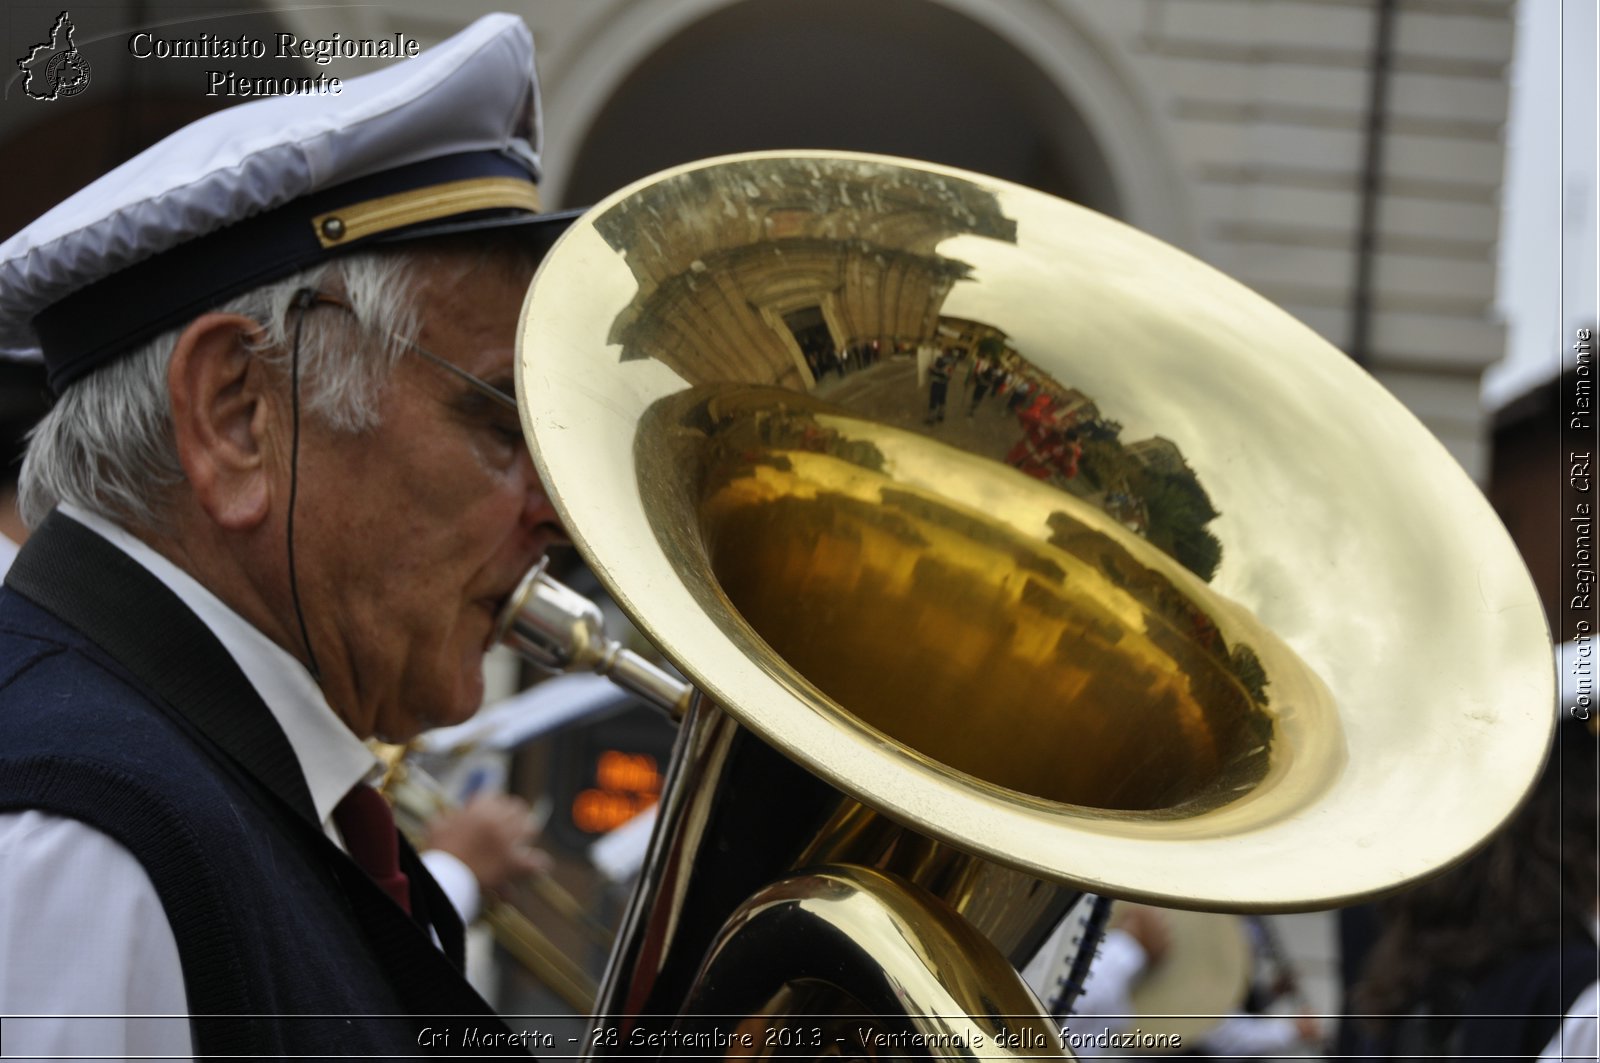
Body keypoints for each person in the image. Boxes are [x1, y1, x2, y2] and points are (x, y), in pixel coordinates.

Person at [0, 14, 574, 1059]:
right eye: (498, 421)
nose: (555, 512)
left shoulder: (155, 801)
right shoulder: (79, 841)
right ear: (236, 415)